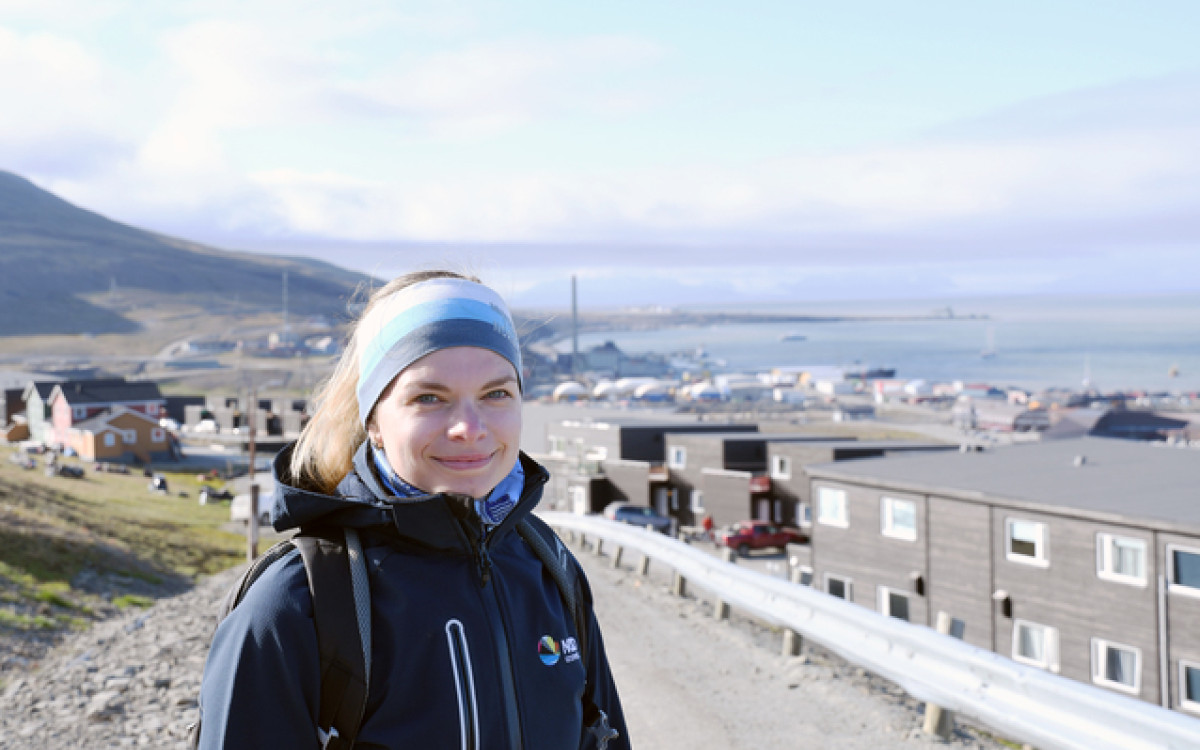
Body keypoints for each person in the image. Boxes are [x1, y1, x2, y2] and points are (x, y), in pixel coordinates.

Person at [196, 270, 630, 749]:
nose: (470, 426)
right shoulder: (299, 602)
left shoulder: (548, 564)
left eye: (496, 393)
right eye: (429, 397)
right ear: (375, 421)